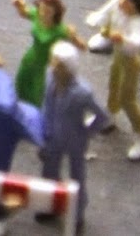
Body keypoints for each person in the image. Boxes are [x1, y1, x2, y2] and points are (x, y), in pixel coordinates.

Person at [39, 42, 105, 227]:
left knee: (77, 178)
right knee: (49, 172)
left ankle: (77, 215)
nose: (53, 67)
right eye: (53, 62)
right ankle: (50, 206)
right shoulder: (49, 77)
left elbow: (101, 116)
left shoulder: (83, 92)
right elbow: (47, 106)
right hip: (52, 136)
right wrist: (44, 131)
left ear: (68, 68)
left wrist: (86, 132)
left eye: (58, 64)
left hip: (75, 140)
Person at [85, 0, 140, 161]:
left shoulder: (137, 19)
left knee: (127, 99)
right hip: (117, 54)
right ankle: (110, 116)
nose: (122, 2)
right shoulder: (117, 2)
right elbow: (104, 12)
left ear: (135, 4)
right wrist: (96, 19)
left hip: (130, 60)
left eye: (128, 1)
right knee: (113, 85)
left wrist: (123, 39)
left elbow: (137, 42)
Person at [10, 0, 81, 106]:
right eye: (42, 9)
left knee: (38, 94)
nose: (44, 13)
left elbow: (82, 46)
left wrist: (74, 36)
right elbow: (24, 13)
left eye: (48, 11)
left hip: (45, 66)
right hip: (30, 59)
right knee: (22, 84)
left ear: (55, 12)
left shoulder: (61, 30)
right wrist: (19, 5)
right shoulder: (37, 15)